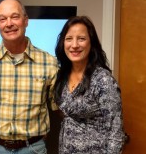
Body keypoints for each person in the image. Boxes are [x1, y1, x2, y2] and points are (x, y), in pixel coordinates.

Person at [0, 0, 58, 154]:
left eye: (15, 17)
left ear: (26, 21)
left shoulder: (49, 63)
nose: (9, 23)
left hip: (32, 148)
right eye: (2, 19)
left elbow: (59, 108)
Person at [54, 15, 125, 153]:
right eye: (69, 39)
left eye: (81, 39)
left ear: (91, 43)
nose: (74, 45)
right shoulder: (61, 76)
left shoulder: (103, 80)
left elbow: (116, 133)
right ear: (63, 43)